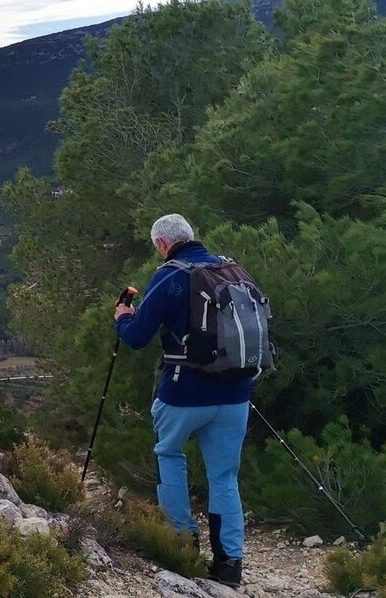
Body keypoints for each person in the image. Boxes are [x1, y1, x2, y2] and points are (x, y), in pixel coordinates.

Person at [113, 214, 252, 587]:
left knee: (170, 456)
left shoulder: (170, 276)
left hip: (184, 392)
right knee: (224, 476)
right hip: (235, 393)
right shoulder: (232, 270)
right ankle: (229, 564)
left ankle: (181, 546)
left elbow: (137, 336)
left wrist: (122, 318)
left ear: (162, 244)